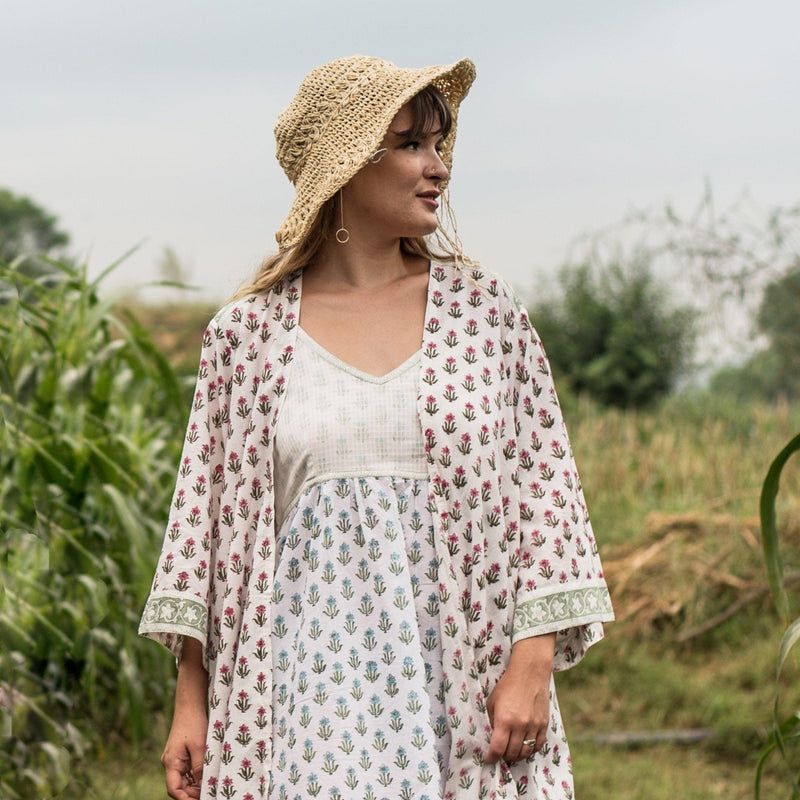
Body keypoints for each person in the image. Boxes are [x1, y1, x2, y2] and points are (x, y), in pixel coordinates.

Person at [139, 55, 614, 800]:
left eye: (440, 144)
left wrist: (532, 661)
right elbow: (208, 536)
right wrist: (190, 702)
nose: (438, 167)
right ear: (345, 165)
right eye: (411, 145)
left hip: (466, 689)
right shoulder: (247, 338)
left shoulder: (488, 315)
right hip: (303, 700)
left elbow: (546, 494)